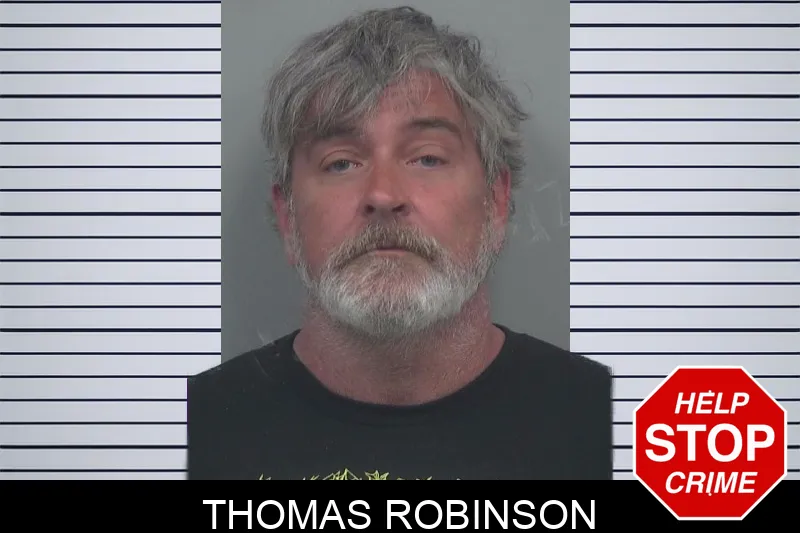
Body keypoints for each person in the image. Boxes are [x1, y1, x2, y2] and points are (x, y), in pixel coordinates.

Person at [188, 5, 612, 480]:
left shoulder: (612, 428)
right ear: (287, 217)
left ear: (495, 202)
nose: (383, 195)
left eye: (427, 158)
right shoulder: (188, 435)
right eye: (341, 163)